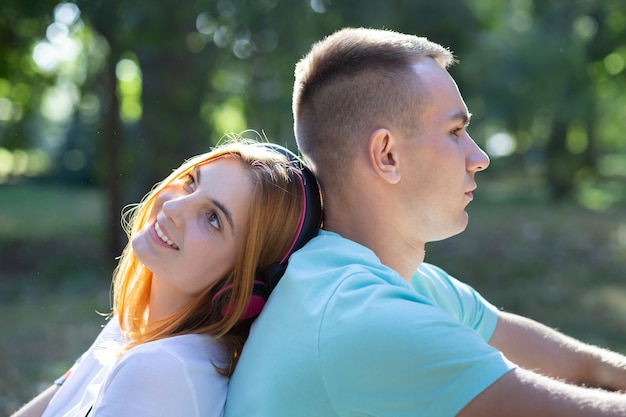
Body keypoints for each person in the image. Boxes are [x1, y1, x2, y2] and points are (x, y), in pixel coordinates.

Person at [224, 28, 626, 416]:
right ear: (387, 156)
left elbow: (590, 370)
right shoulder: (361, 317)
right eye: (455, 131)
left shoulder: (405, 282)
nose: (480, 157)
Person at [10, 138, 322, 417]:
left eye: (213, 219)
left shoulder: (157, 371)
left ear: (245, 287)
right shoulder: (140, 322)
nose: (173, 207)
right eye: (191, 181)